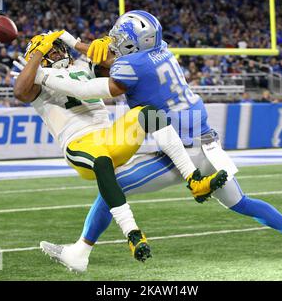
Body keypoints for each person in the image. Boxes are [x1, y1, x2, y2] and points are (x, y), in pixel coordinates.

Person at [33, 10, 282, 272]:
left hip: (185, 150)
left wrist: (45, 77)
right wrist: (73, 42)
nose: (114, 41)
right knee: (241, 202)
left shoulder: (129, 67)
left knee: (112, 184)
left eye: (120, 38)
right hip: (210, 144)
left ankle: (80, 253)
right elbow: (116, 57)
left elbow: (86, 89)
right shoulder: (162, 50)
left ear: (134, 42)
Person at [12, 31, 226, 266]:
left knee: (148, 112)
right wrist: (36, 56)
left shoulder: (81, 67)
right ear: (39, 55)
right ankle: (133, 234)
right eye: (50, 50)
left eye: (57, 47)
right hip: (80, 143)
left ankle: (195, 181)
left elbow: (112, 67)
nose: (57, 51)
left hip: (109, 135)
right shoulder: (39, 76)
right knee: (102, 162)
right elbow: (21, 92)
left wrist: (99, 45)